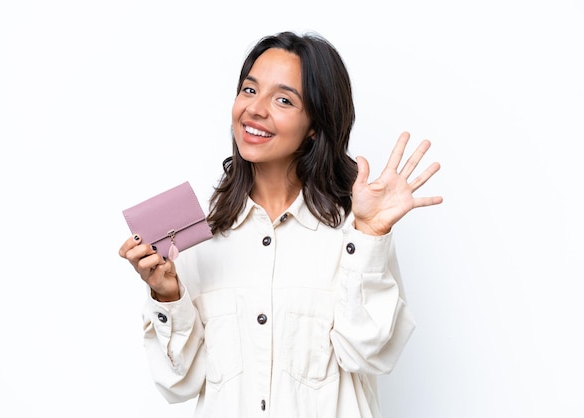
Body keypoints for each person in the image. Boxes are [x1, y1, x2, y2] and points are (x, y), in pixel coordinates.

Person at [119, 30, 442, 417]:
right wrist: (168, 297)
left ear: (314, 125)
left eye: (284, 99)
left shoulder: (354, 234)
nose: (255, 109)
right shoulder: (197, 238)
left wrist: (371, 236)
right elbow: (180, 383)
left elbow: (369, 356)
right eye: (249, 90)